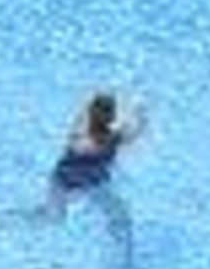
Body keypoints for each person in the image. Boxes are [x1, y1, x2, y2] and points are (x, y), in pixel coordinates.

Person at [28, 91, 146, 256]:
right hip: (64, 183)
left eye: (107, 114)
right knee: (53, 219)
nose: (105, 118)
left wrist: (140, 114)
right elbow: (85, 147)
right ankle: (18, 220)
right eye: (102, 114)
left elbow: (133, 133)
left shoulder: (110, 136)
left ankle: (124, 256)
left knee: (119, 215)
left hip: (93, 184)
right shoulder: (82, 137)